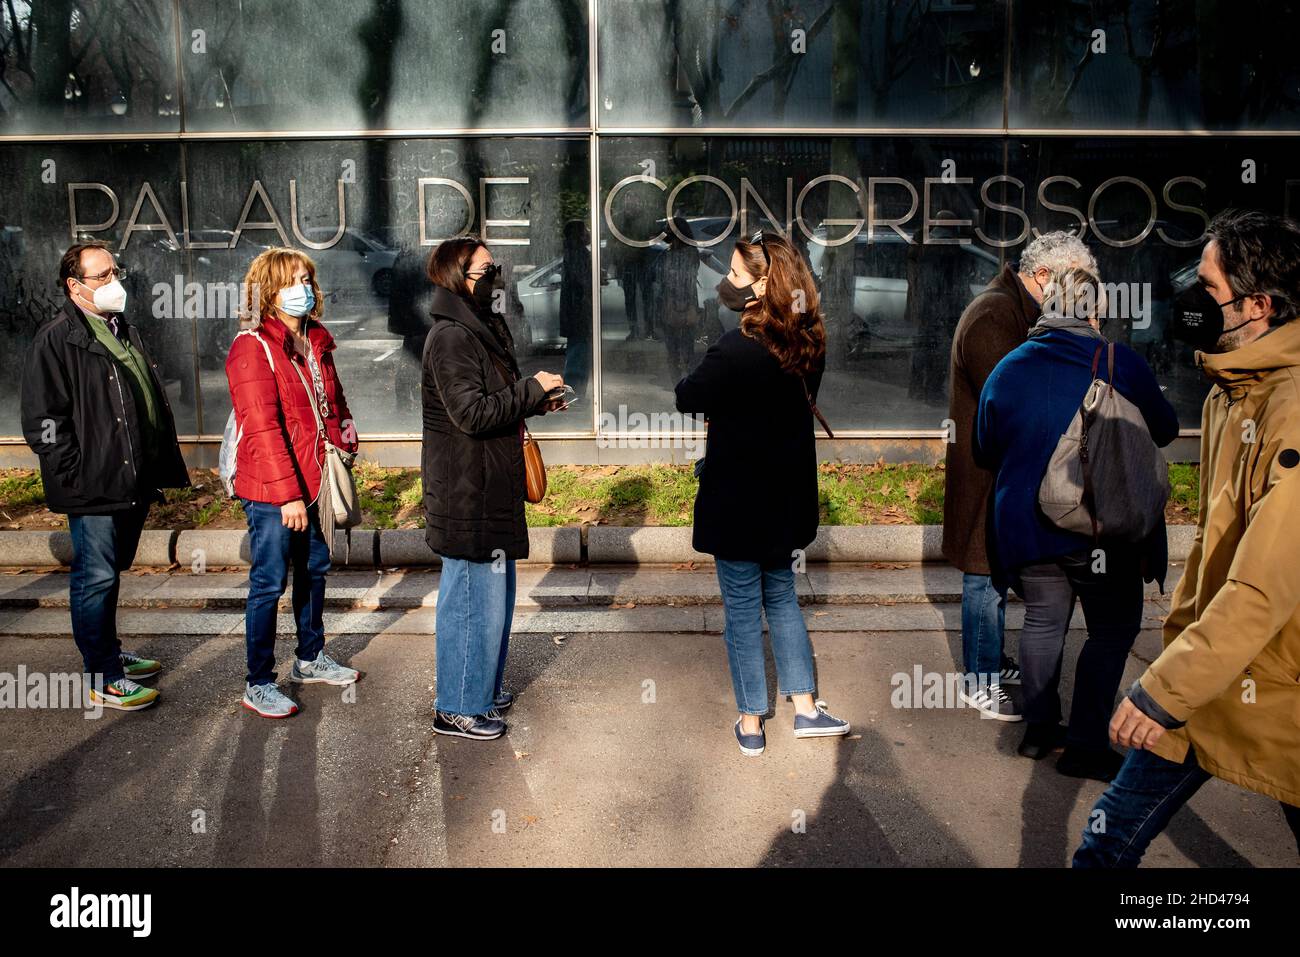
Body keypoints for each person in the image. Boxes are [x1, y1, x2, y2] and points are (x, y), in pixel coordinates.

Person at [1075, 210, 1300, 865]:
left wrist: (1162, 689)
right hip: (1216, 672)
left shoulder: (1289, 407)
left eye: (1207, 285)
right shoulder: (1231, 389)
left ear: (1257, 304)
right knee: (1106, 839)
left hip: (1271, 681)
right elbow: (1214, 547)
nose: (1191, 300)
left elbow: (1263, 583)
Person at [976, 266, 1178, 780]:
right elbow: (1167, 427)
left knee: (1043, 621)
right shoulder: (1118, 362)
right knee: (1112, 630)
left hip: (1028, 525)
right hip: (1102, 526)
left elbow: (984, 447)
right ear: (1094, 312)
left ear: (1047, 308)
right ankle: (1087, 745)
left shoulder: (1008, 369)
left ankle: (1039, 732)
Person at [676, 230, 849, 757]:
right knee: (783, 598)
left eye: (736, 276)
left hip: (736, 502)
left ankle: (751, 722)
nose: (727, 284)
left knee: (743, 609)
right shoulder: (809, 342)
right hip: (785, 499)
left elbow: (687, 396)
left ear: (764, 283)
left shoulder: (734, 349)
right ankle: (805, 709)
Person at [21, 242, 191, 711]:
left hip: (128, 480)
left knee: (111, 573)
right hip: (91, 486)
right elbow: (43, 422)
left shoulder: (120, 329)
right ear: (75, 286)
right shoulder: (56, 339)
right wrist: (75, 474)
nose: (114, 282)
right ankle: (103, 677)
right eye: (102, 276)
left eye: (115, 272)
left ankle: (108, 652)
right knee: (95, 578)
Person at [942, 230, 1099, 721]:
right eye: (1075, 281)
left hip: (998, 469)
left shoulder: (1012, 308)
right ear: (1044, 276)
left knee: (994, 571)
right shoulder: (994, 314)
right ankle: (980, 679)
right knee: (983, 574)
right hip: (986, 471)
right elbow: (1013, 398)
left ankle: (991, 661)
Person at [422, 237, 567, 741]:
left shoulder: (477, 328)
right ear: (460, 276)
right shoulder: (452, 337)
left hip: (488, 485)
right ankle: (457, 705)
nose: (498, 276)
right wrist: (531, 389)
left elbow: (492, 400)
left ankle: (478, 687)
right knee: (468, 598)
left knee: (492, 600)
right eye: (488, 269)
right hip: (467, 492)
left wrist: (536, 401)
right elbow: (470, 413)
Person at [226, 248, 361, 719]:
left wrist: (347, 439)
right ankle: (258, 681)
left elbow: (334, 401)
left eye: (306, 278)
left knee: (314, 569)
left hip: (317, 477)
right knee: (268, 583)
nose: (302, 288)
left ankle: (309, 658)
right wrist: (288, 495)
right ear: (268, 292)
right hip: (273, 489)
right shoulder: (253, 347)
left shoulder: (317, 340)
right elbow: (262, 427)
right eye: (290, 281)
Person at [658, 221, 701, 383]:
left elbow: (682, 280)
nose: (666, 232)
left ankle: (682, 381)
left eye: (669, 229)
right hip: (677, 302)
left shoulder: (683, 253)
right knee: (677, 347)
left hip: (681, 301)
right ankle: (680, 381)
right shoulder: (674, 253)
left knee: (681, 347)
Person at [559, 219, 593, 399]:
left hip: (575, 311)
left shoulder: (571, 253)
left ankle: (574, 393)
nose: (588, 232)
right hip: (579, 312)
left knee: (577, 352)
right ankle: (574, 394)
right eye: (585, 229)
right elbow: (582, 282)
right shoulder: (579, 253)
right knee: (579, 354)